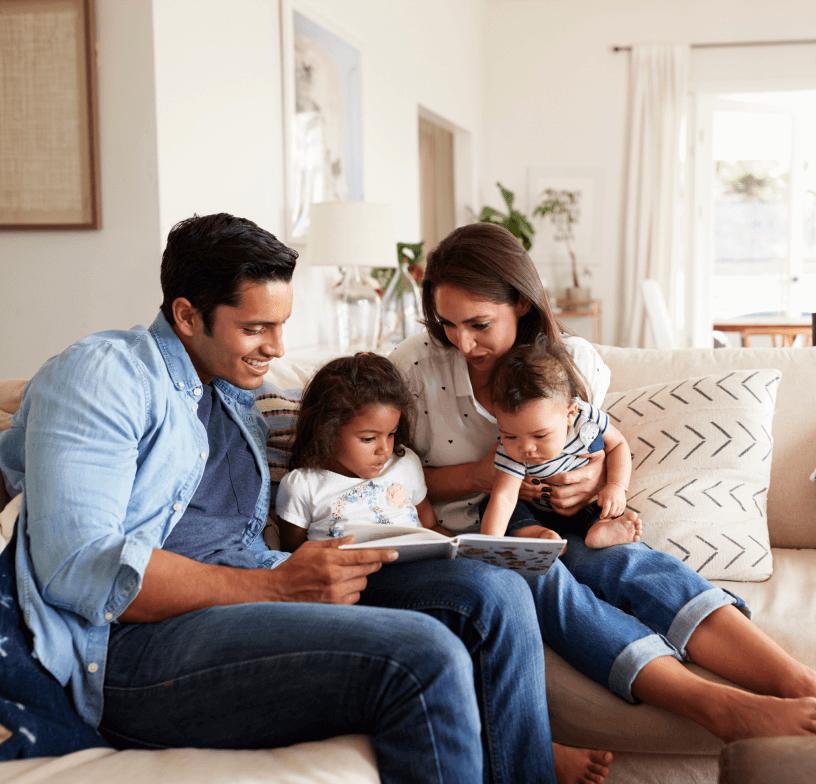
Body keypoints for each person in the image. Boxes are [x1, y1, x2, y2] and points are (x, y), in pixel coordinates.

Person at [0, 213, 613, 784]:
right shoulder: (104, 374)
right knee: (422, 658)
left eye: (281, 325)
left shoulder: (235, 394)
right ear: (187, 316)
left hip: (259, 587)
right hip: (137, 645)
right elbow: (80, 565)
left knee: (493, 591)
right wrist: (275, 586)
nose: (277, 349)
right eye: (256, 328)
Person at [390, 222, 816, 741]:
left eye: (479, 324)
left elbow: (596, 445)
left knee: (628, 562)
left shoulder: (570, 362)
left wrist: (592, 481)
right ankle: (717, 707)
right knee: (539, 579)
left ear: (522, 304)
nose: (462, 342)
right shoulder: (414, 367)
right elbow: (389, 481)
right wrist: (479, 475)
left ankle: (805, 683)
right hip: (475, 535)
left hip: (563, 517)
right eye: (447, 323)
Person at [481, 338, 641, 549]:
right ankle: (537, 534)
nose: (526, 448)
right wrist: (488, 548)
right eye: (510, 436)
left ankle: (600, 529)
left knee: (603, 506)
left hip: (583, 504)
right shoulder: (510, 451)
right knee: (491, 504)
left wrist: (616, 486)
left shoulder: (585, 420)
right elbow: (504, 497)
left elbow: (618, 444)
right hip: (536, 511)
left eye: (540, 436)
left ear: (570, 413)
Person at [275, 353, 438, 547]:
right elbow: (294, 557)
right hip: (354, 574)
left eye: (391, 434)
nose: (384, 450)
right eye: (368, 439)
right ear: (327, 431)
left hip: (418, 567)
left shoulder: (405, 462)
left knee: (475, 573)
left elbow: (430, 527)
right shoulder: (303, 485)